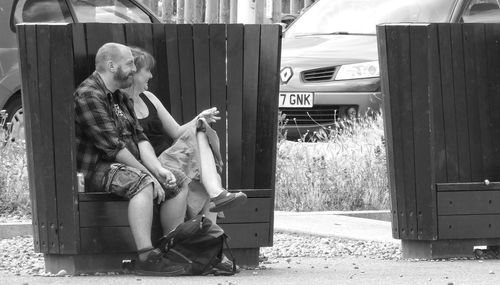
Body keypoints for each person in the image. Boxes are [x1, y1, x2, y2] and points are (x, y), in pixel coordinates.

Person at [74, 43, 189, 276]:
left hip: (122, 164)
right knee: (142, 183)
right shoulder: (89, 95)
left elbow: (140, 138)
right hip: (96, 168)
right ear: (110, 65)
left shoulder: (120, 97)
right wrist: (148, 175)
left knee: (177, 180)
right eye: (129, 64)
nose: (134, 69)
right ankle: (146, 256)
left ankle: (168, 250)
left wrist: (158, 170)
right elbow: (113, 148)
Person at [124, 47, 247, 222]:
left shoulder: (149, 97)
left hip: (170, 157)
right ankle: (213, 212)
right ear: (134, 73)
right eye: (147, 71)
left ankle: (211, 220)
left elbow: (176, 131)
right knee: (208, 179)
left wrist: (200, 117)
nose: (151, 76)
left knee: (201, 127)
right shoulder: (120, 104)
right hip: (150, 163)